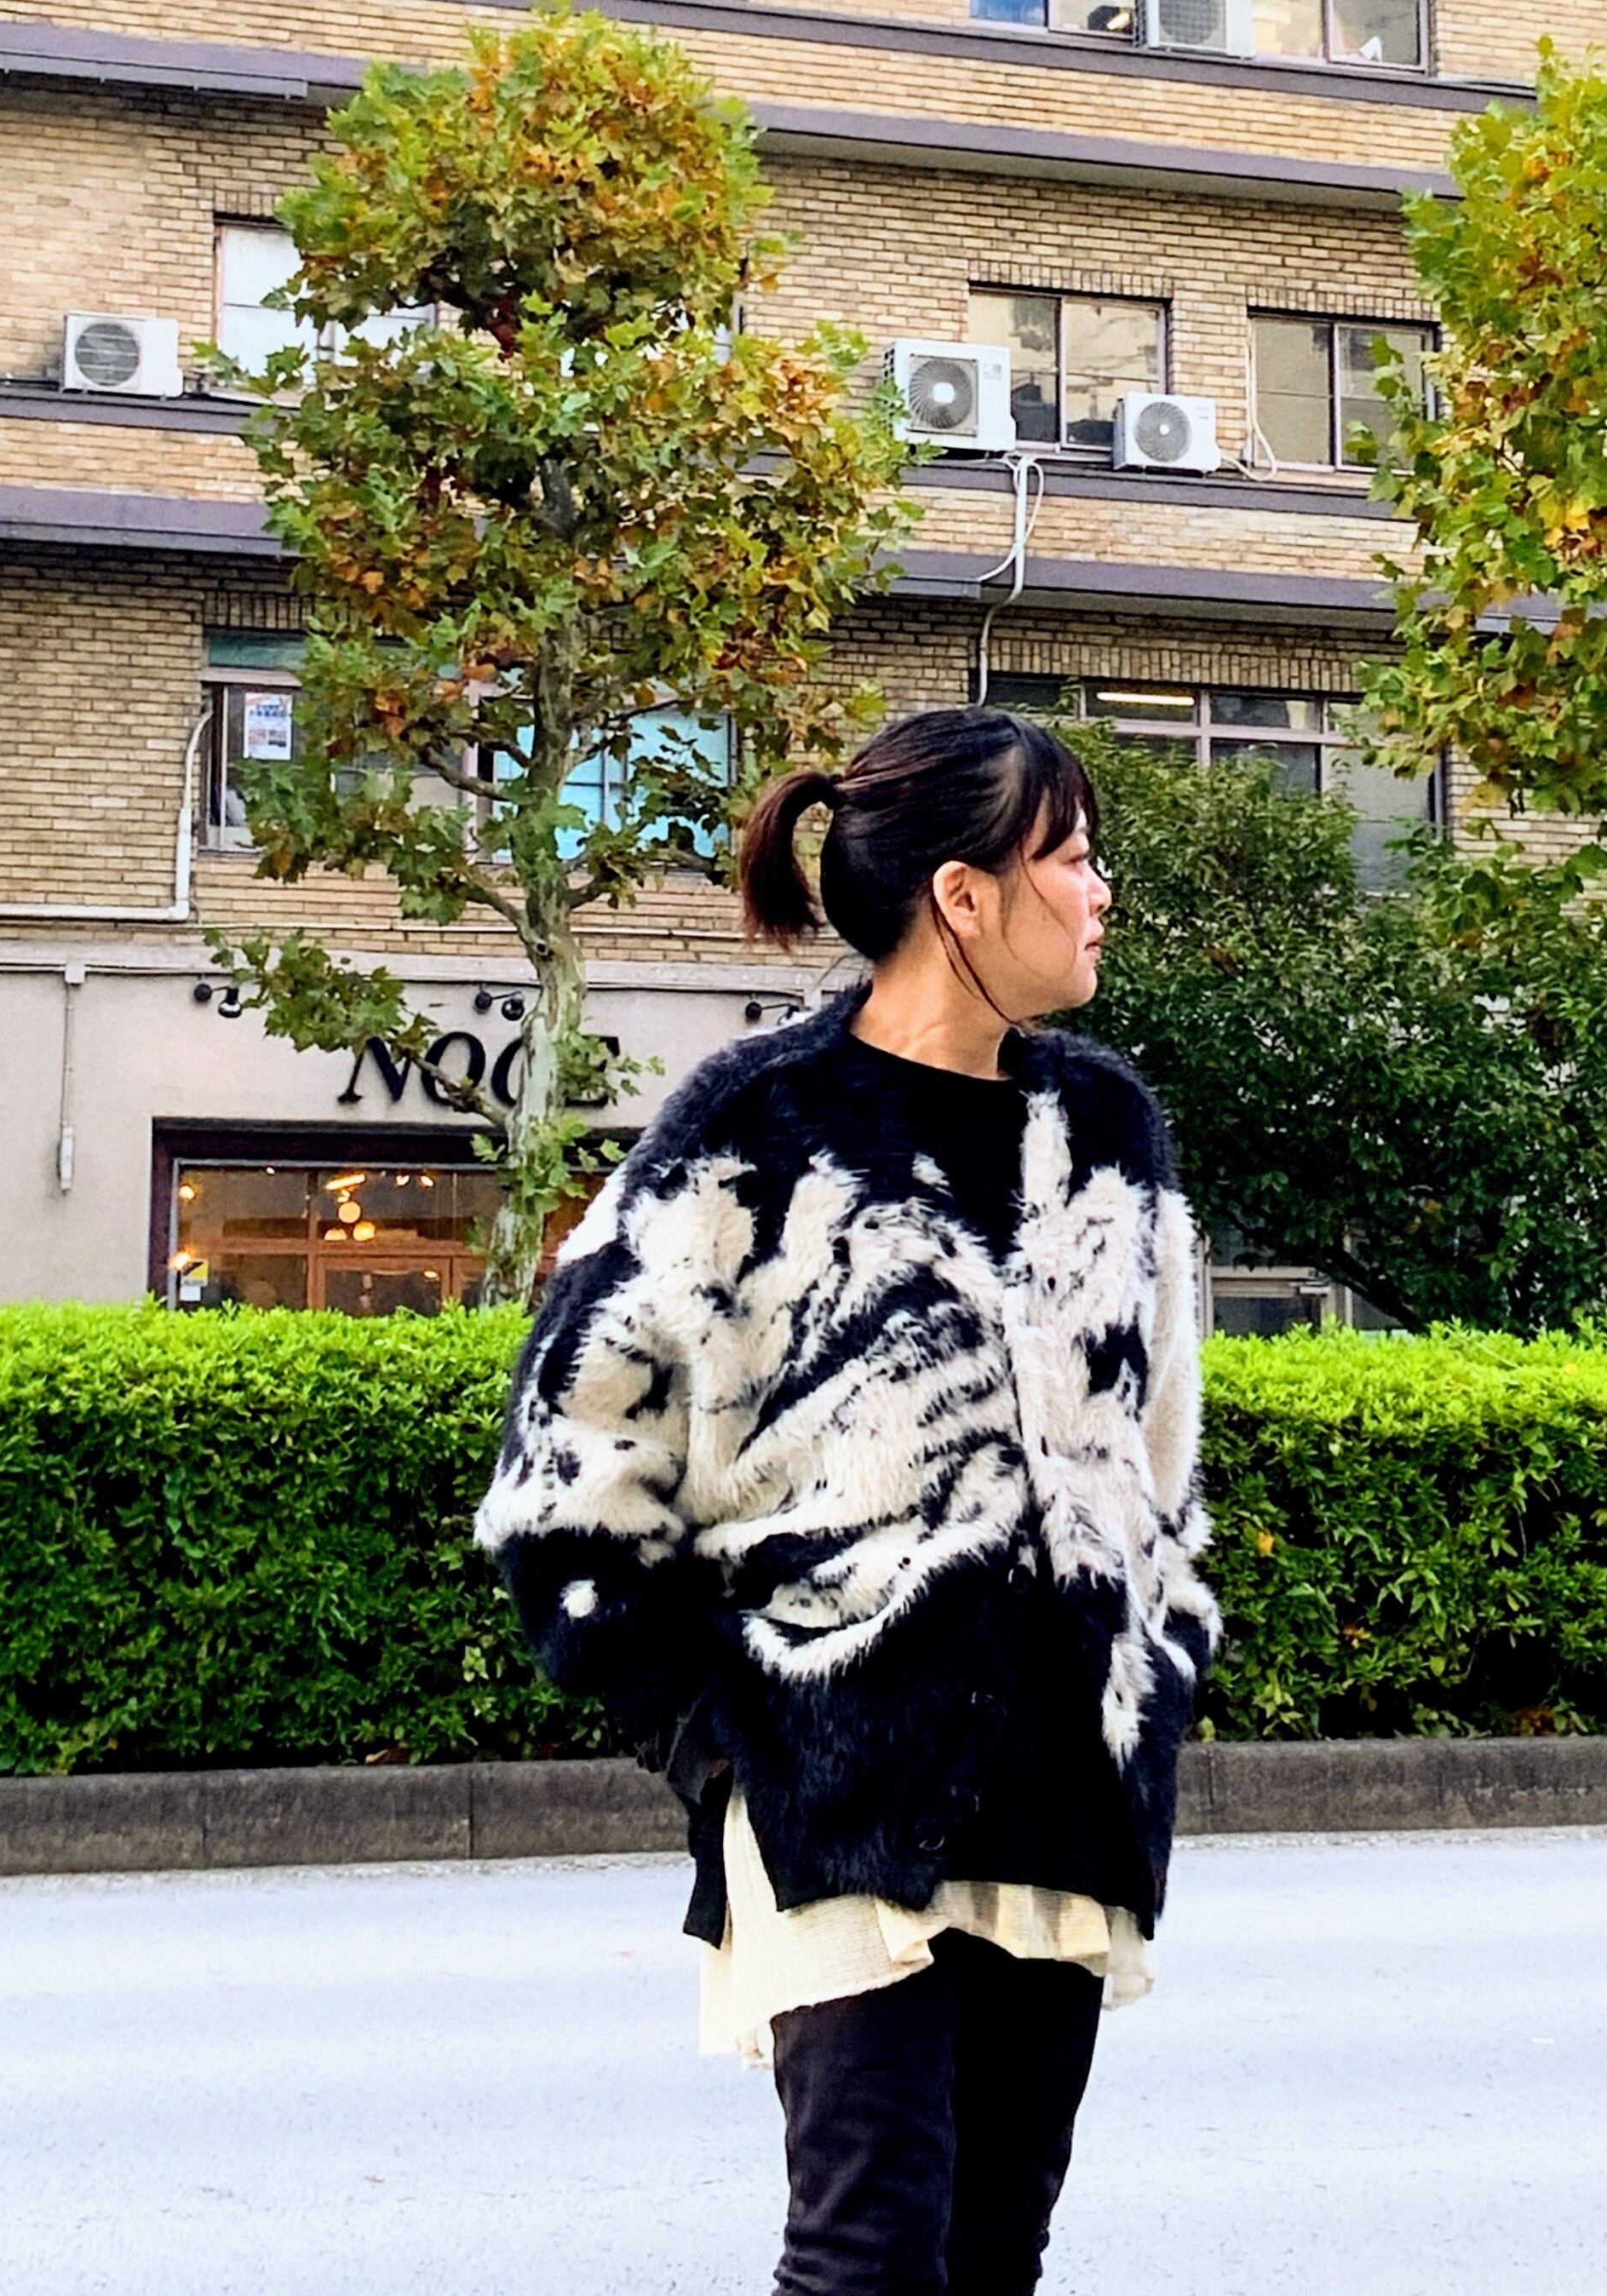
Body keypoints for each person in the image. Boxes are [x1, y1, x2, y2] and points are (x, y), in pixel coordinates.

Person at [477, 703, 1217, 2296]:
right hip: (828, 1788)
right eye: (1074, 859)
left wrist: (1153, 1676)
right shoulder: (751, 1129)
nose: (1102, 894)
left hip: (1060, 1793)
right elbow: (567, 1479)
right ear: (965, 896)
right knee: (865, 2253)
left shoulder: (1107, 1128)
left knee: (992, 2255)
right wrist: (717, 1744)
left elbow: (1158, 1465)